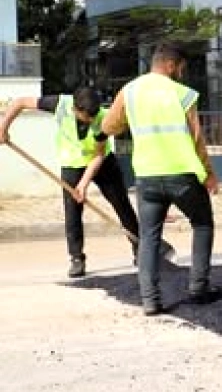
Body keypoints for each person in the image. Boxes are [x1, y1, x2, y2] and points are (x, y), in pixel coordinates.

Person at [102, 42, 221, 315]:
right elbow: (197, 140)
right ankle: (198, 287)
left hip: (147, 176)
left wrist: (129, 121)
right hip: (183, 176)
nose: (181, 71)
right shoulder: (183, 94)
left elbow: (108, 126)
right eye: (180, 66)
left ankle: (150, 300)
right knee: (202, 223)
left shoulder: (129, 91)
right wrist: (210, 175)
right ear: (170, 64)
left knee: (149, 236)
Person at [0, 86, 141, 278]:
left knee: (121, 203)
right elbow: (20, 102)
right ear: (75, 109)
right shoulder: (59, 104)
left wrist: (83, 184)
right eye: (86, 116)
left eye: (93, 116)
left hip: (102, 162)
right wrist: (3, 128)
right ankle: (77, 258)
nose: (91, 120)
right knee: (72, 211)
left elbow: (98, 155)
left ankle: (140, 248)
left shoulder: (104, 118)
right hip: (72, 164)